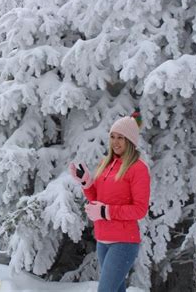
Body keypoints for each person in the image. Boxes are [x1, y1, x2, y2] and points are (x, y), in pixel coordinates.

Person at [69, 109, 150, 292]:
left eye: (120, 137)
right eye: (113, 136)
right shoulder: (105, 164)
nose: (115, 142)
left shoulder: (138, 169)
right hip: (103, 239)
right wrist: (86, 183)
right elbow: (97, 200)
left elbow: (140, 209)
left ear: (130, 141)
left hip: (124, 242)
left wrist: (106, 211)